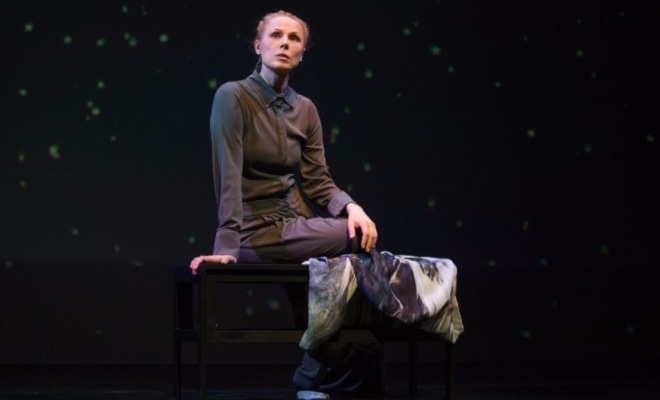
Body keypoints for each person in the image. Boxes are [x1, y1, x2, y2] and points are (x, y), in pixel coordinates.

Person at [189, 10, 386, 400]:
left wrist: (352, 207)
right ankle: (321, 378)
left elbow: (317, 180)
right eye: (276, 35)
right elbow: (227, 174)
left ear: (301, 53)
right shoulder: (233, 96)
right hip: (253, 230)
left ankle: (330, 377)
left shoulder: (305, 109)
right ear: (258, 46)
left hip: (294, 225)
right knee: (352, 244)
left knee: (359, 248)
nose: (284, 43)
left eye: (294, 38)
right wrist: (226, 245)